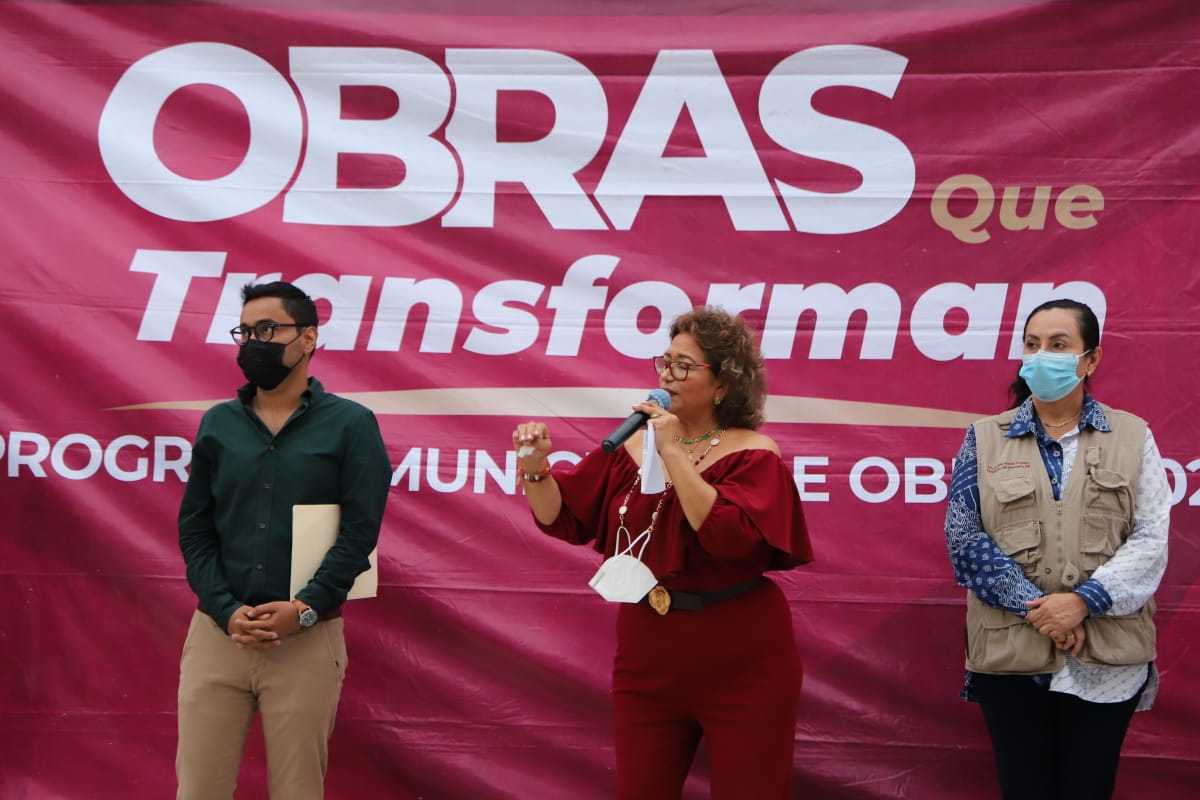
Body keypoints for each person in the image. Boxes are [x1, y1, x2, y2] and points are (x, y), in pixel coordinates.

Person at [512, 305, 814, 800]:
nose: (667, 374)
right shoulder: (632, 445)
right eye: (665, 361)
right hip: (648, 654)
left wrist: (673, 451)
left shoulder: (754, 453)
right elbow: (562, 516)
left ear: (723, 385)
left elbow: (727, 537)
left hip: (741, 657)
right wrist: (535, 467)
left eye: (684, 365)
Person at [944, 298, 1170, 800]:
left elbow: (1151, 537)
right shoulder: (983, 438)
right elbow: (964, 537)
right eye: (1033, 344)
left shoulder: (1133, 436)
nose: (1042, 354)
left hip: (1106, 659)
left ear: (1091, 359)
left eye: (1058, 344)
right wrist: (1044, 612)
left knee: (1089, 787)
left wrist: (1084, 602)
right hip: (1011, 657)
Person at [176, 281, 392, 800]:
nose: (254, 342)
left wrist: (306, 609)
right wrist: (226, 610)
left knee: (297, 791)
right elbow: (196, 530)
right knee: (198, 790)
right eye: (246, 331)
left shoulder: (352, 425)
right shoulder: (218, 425)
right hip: (218, 635)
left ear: (308, 338)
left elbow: (359, 533)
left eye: (268, 329)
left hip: (306, 641)